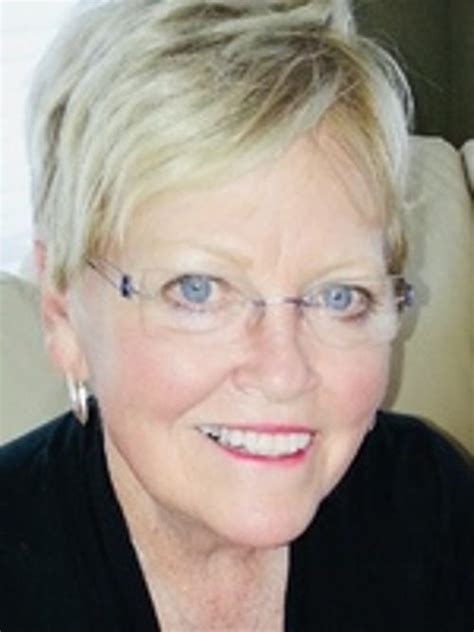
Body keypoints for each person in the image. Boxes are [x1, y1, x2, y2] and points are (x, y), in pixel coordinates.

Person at [0, 1, 472, 630]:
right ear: (62, 312)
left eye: (340, 296)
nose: (283, 374)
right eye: (198, 290)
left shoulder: (428, 501)